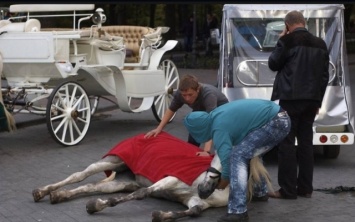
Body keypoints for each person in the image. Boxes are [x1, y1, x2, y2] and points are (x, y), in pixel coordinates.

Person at [183, 99, 291, 222]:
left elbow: (227, 161)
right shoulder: (216, 115)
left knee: (238, 156)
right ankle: (259, 192)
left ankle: (238, 211)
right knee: (249, 150)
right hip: (279, 117)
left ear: (197, 128)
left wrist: (223, 182)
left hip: (275, 122)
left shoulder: (218, 128)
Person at [268, 10, 329, 199]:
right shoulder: (320, 44)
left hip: (291, 98)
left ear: (287, 25)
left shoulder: (287, 41)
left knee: (286, 144)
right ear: (303, 22)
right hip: (311, 100)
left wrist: (280, 41)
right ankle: (305, 188)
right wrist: (318, 100)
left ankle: (287, 190)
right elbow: (324, 76)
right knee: (306, 144)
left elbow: (273, 64)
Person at [145, 74, 228, 155]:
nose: (187, 98)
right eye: (184, 95)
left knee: (220, 143)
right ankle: (192, 153)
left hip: (222, 113)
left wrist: (206, 151)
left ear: (198, 89)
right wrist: (159, 128)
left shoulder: (209, 95)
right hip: (200, 110)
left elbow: (212, 122)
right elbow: (171, 109)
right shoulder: (180, 94)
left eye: (190, 95)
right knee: (193, 133)